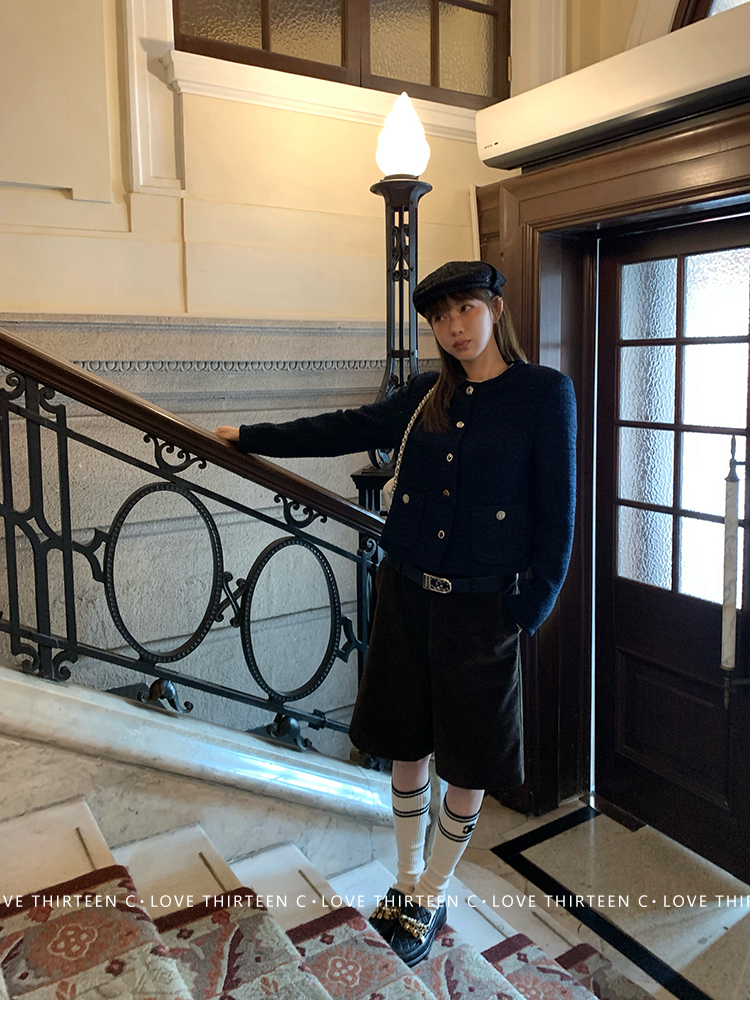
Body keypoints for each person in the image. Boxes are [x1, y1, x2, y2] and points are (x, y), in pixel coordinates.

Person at [215, 260, 576, 967]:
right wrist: (252, 435)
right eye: (440, 317)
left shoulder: (543, 393)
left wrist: (527, 608)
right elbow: (344, 426)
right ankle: (407, 882)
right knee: (406, 746)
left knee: (467, 760)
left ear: (496, 309)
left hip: (484, 611)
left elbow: (558, 513)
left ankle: (432, 891)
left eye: (466, 309)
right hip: (407, 595)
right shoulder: (424, 396)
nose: (454, 327)